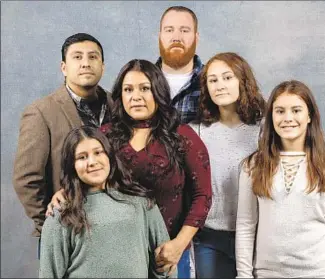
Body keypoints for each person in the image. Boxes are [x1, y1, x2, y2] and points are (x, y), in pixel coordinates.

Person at [47, 59, 212, 278]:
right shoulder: (105, 136)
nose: (136, 97)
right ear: (120, 95)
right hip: (115, 252)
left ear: (158, 92)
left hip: (168, 252)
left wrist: (179, 244)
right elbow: (87, 174)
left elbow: (203, 195)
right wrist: (64, 192)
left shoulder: (182, 136)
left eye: (145, 88)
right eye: (128, 89)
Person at [235, 80, 325, 278]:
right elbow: (246, 226)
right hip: (265, 274)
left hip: (316, 274)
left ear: (309, 116)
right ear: (271, 117)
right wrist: (244, 275)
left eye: (296, 110)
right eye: (280, 111)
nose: (288, 118)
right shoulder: (253, 165)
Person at [12, 33, 113, 254]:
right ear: (64, 67)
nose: (86, 63)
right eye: (77, 57)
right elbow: (26, 179)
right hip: (68, 231)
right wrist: (51, 224)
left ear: (103, 66)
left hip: (114, 227)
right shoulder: (41, 112)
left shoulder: (118, 105)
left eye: (93, 57)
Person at [39, 126, 172, 278]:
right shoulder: (61, 214)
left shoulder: (142, 202)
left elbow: (165, 263)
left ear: (109, 155)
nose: (92, 162)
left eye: (98, 152)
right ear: (72, 166)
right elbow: (49, 274)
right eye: (82, 157)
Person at [188, 52, 265, 278]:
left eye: (227, 77)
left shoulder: (264, 131)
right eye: (213, 80)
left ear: (243, 80)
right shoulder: (196, 132)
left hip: (258, 237)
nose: (220, 85)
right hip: (210, 239)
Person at [157, 6, 203, 124]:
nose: (176, 38)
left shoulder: (214, 82)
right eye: (169, 30)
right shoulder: (141, 81)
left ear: (196, 38)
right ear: (159, 36)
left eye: (184, 30)